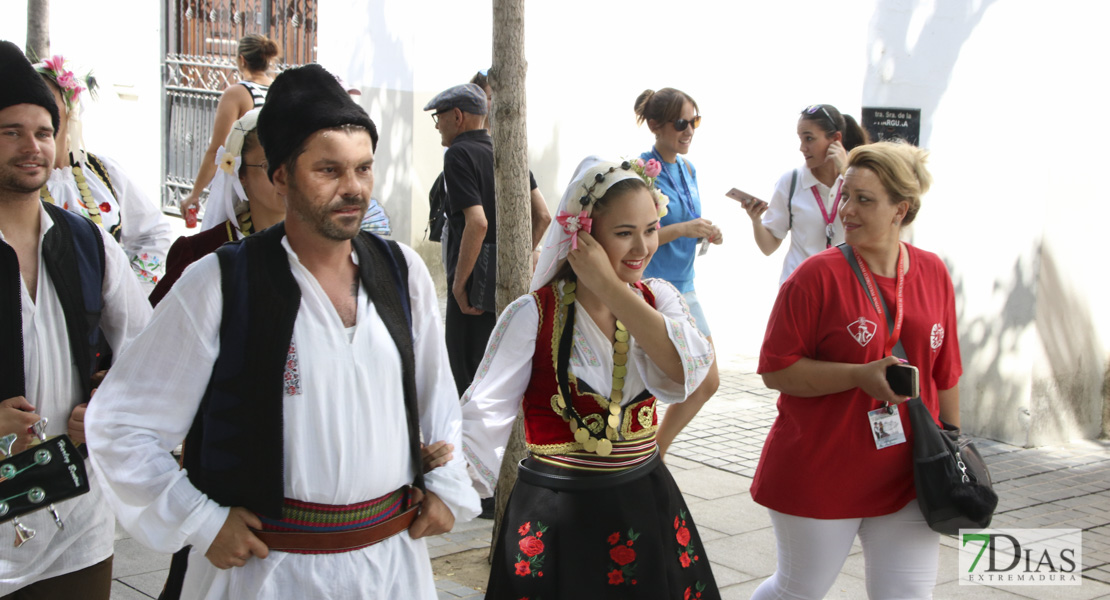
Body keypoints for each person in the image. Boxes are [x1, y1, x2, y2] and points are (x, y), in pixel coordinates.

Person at [84, 63, 479, 600]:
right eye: (329, 171)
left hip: (388, 570)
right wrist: (201, 521)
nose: (353, 188)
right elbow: (120, 421)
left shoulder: (401, 270)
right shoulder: (221, 282)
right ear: (279, 177)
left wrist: (445, 484)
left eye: (363, 169)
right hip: (267, 576)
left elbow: (438, 402)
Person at [462, 157, 720, 598]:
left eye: (651, 228)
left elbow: (687, 374)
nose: (642, 247)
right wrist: (443, 493)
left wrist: (610, 286)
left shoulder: (660, 300)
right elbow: (483, 414)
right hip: (558, 507)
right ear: (584, 235)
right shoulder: (534, 314)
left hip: (642, 496)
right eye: (624, 233)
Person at [751, 141, 957, 599]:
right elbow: (776, 371)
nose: (847, 210)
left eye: (864, 200)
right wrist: (858, 375)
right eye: (846, 196)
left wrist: (952, 443)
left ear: (900, 209)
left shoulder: (933, 272)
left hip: (909, 472)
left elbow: (945, 370)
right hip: (822, 467)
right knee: (797, 591)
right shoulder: (815, 276)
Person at [0, 40, 152, 599]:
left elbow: (146, 347)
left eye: (43, 132)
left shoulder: (86, 240)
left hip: (77, 506)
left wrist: (111, 404)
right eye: (10, 131)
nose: (32, 146)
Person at [425, 82, 550, 397]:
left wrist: (458, 284)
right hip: (506, 285)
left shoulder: (458, 154)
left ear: (457, 116)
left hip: (472, 291)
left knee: (467, 380)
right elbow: (543, 216)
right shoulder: (508, 151)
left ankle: (466, 445)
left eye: (438, 117)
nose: (437, 124)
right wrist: (517, 259)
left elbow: (476, 222)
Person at [34, 55, 173, 294]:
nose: (39, 112)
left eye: (47, 101)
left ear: (70, 109)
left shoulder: (101, 172)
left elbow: (153, 232)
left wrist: (132, 290)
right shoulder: (20, 177)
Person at [633, 87, 720, 457]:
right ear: (655, 125)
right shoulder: (640, 171)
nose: (689, 131)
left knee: (707, 379)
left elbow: (686, 220)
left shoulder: (688, 168)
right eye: (682, 122)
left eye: (694, 121)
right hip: (654, 287)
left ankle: (654, 451)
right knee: (651, 379)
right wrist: (684, 229)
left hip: (686, 285)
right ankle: (648, 453)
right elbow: (640, 234)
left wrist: (705, 231)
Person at [148, 108, 283, 306]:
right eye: (268, 165)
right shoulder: (198, 254)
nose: (285, 176)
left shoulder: (329, 249)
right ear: (241, 174)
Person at [745, 103, 869, 285]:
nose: (802, 148)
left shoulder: (863, 180)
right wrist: (756, 220)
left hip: (844, 288)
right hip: (799, 289)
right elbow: (768, 247)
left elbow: (875, 227)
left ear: (836, 139)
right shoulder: (791, 181)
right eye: (800, 139)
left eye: (809, 139)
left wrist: (845, 171)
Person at [179, 34, 278, 219]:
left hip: (246, 188)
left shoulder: (237, 93)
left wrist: (194, 194)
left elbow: (218, 150)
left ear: (241, 60)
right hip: (275, 186)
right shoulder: (278, 90)